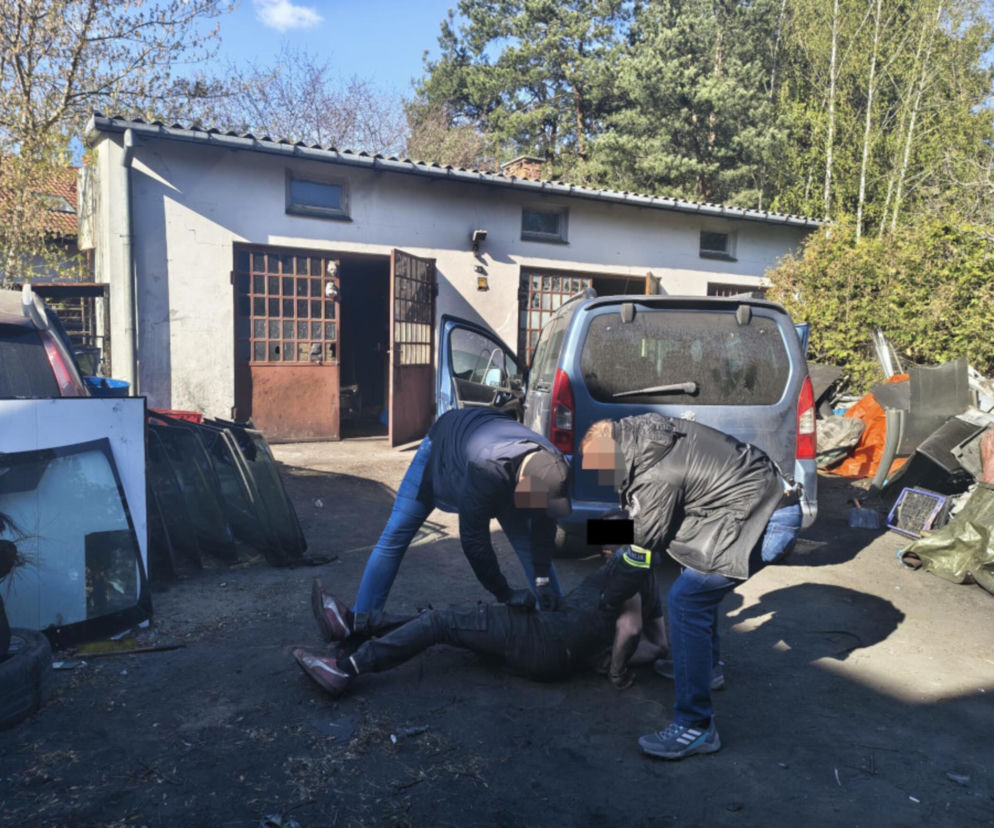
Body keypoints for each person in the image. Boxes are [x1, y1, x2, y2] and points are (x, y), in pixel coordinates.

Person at [580, 414, 803, 760]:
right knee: (697, 578)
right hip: (758, 502)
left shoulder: (655, 473)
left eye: (599, 467)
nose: (599, 476)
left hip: (765, 519)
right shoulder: (648, 437)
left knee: (687, 600)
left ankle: (696, 727)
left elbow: (647, 536)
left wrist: (603, 576)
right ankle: (707, 668)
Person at [294, 542, 668, 697]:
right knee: (451, 625)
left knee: (443, 623)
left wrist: (616, 670)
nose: (610, 550)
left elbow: (631, 627)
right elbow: (657, 644)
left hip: (539, 637)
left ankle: (347, 669)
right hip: (552, 651)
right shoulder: (641, 579)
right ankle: (355, 625)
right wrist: (600, 658)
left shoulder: (633, 576)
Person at [353, 408, 571, 614]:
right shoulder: (486, 469)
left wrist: (542, 579)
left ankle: (556, 620)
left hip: (499, 453)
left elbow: (544, 524)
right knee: (396, 535)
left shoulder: (552, 463)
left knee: (527, 544)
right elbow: (474, 541)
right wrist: (505, 594)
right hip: (444, 444)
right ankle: (360, 620)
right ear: (524, 482)